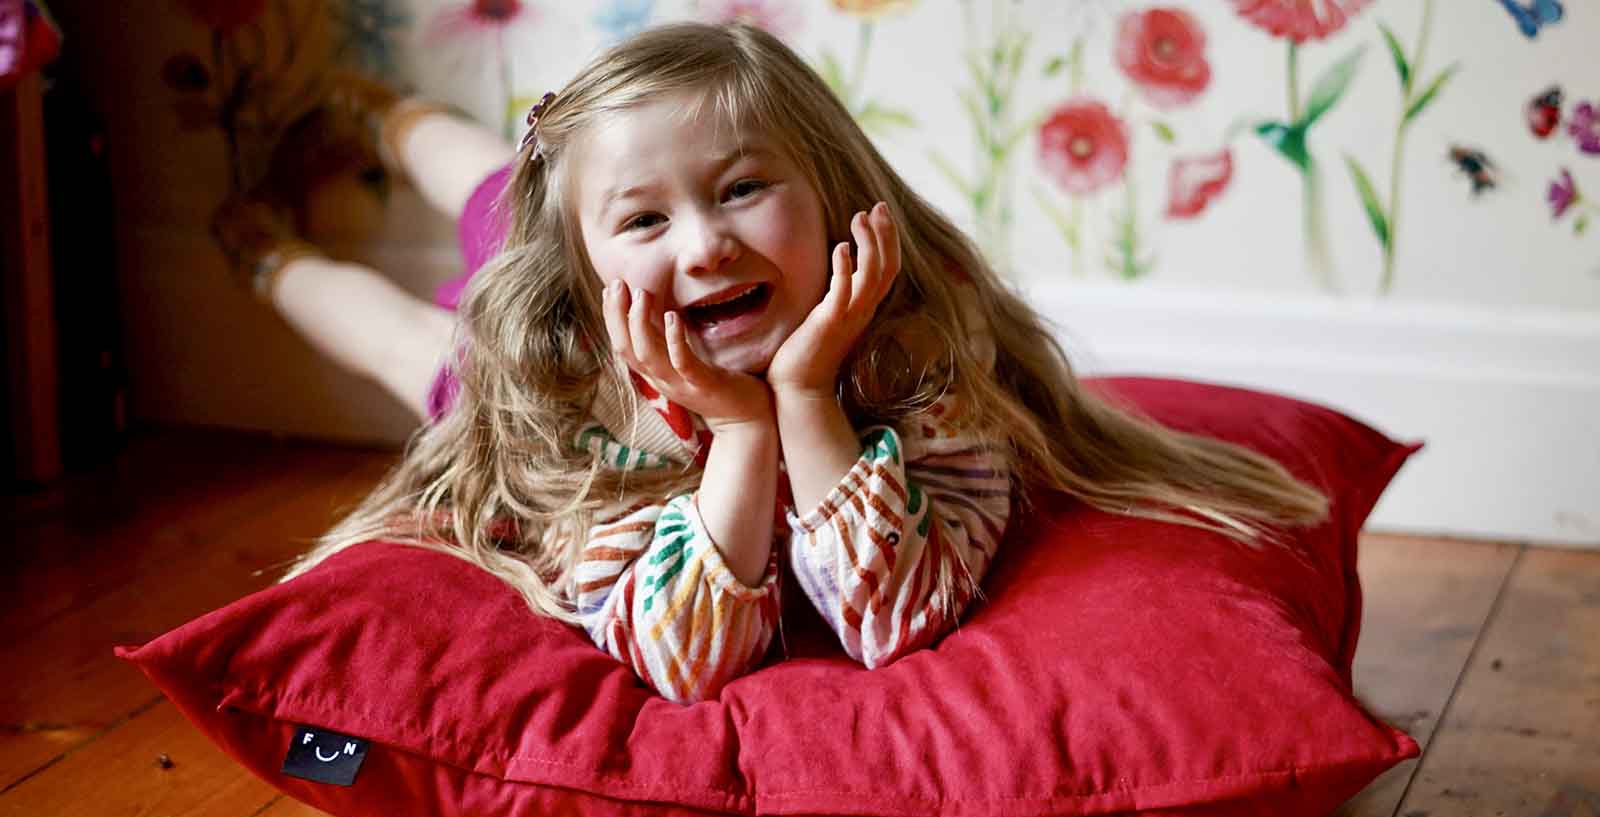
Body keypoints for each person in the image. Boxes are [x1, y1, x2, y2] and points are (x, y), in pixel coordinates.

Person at [227, 22, 1328, 704]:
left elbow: (882, 621)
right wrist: (732, 425)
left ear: (835, 193)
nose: (706, 245)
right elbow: (681, 657)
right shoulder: (562, 395)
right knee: (460, 250)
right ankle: (351, 154)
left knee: (467, 281)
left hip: (673, 323)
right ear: (587, 263)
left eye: (743, 188)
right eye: (649, 218)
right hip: (580, 346)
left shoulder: (918, 354)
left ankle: (288, 224)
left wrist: (781, 407)